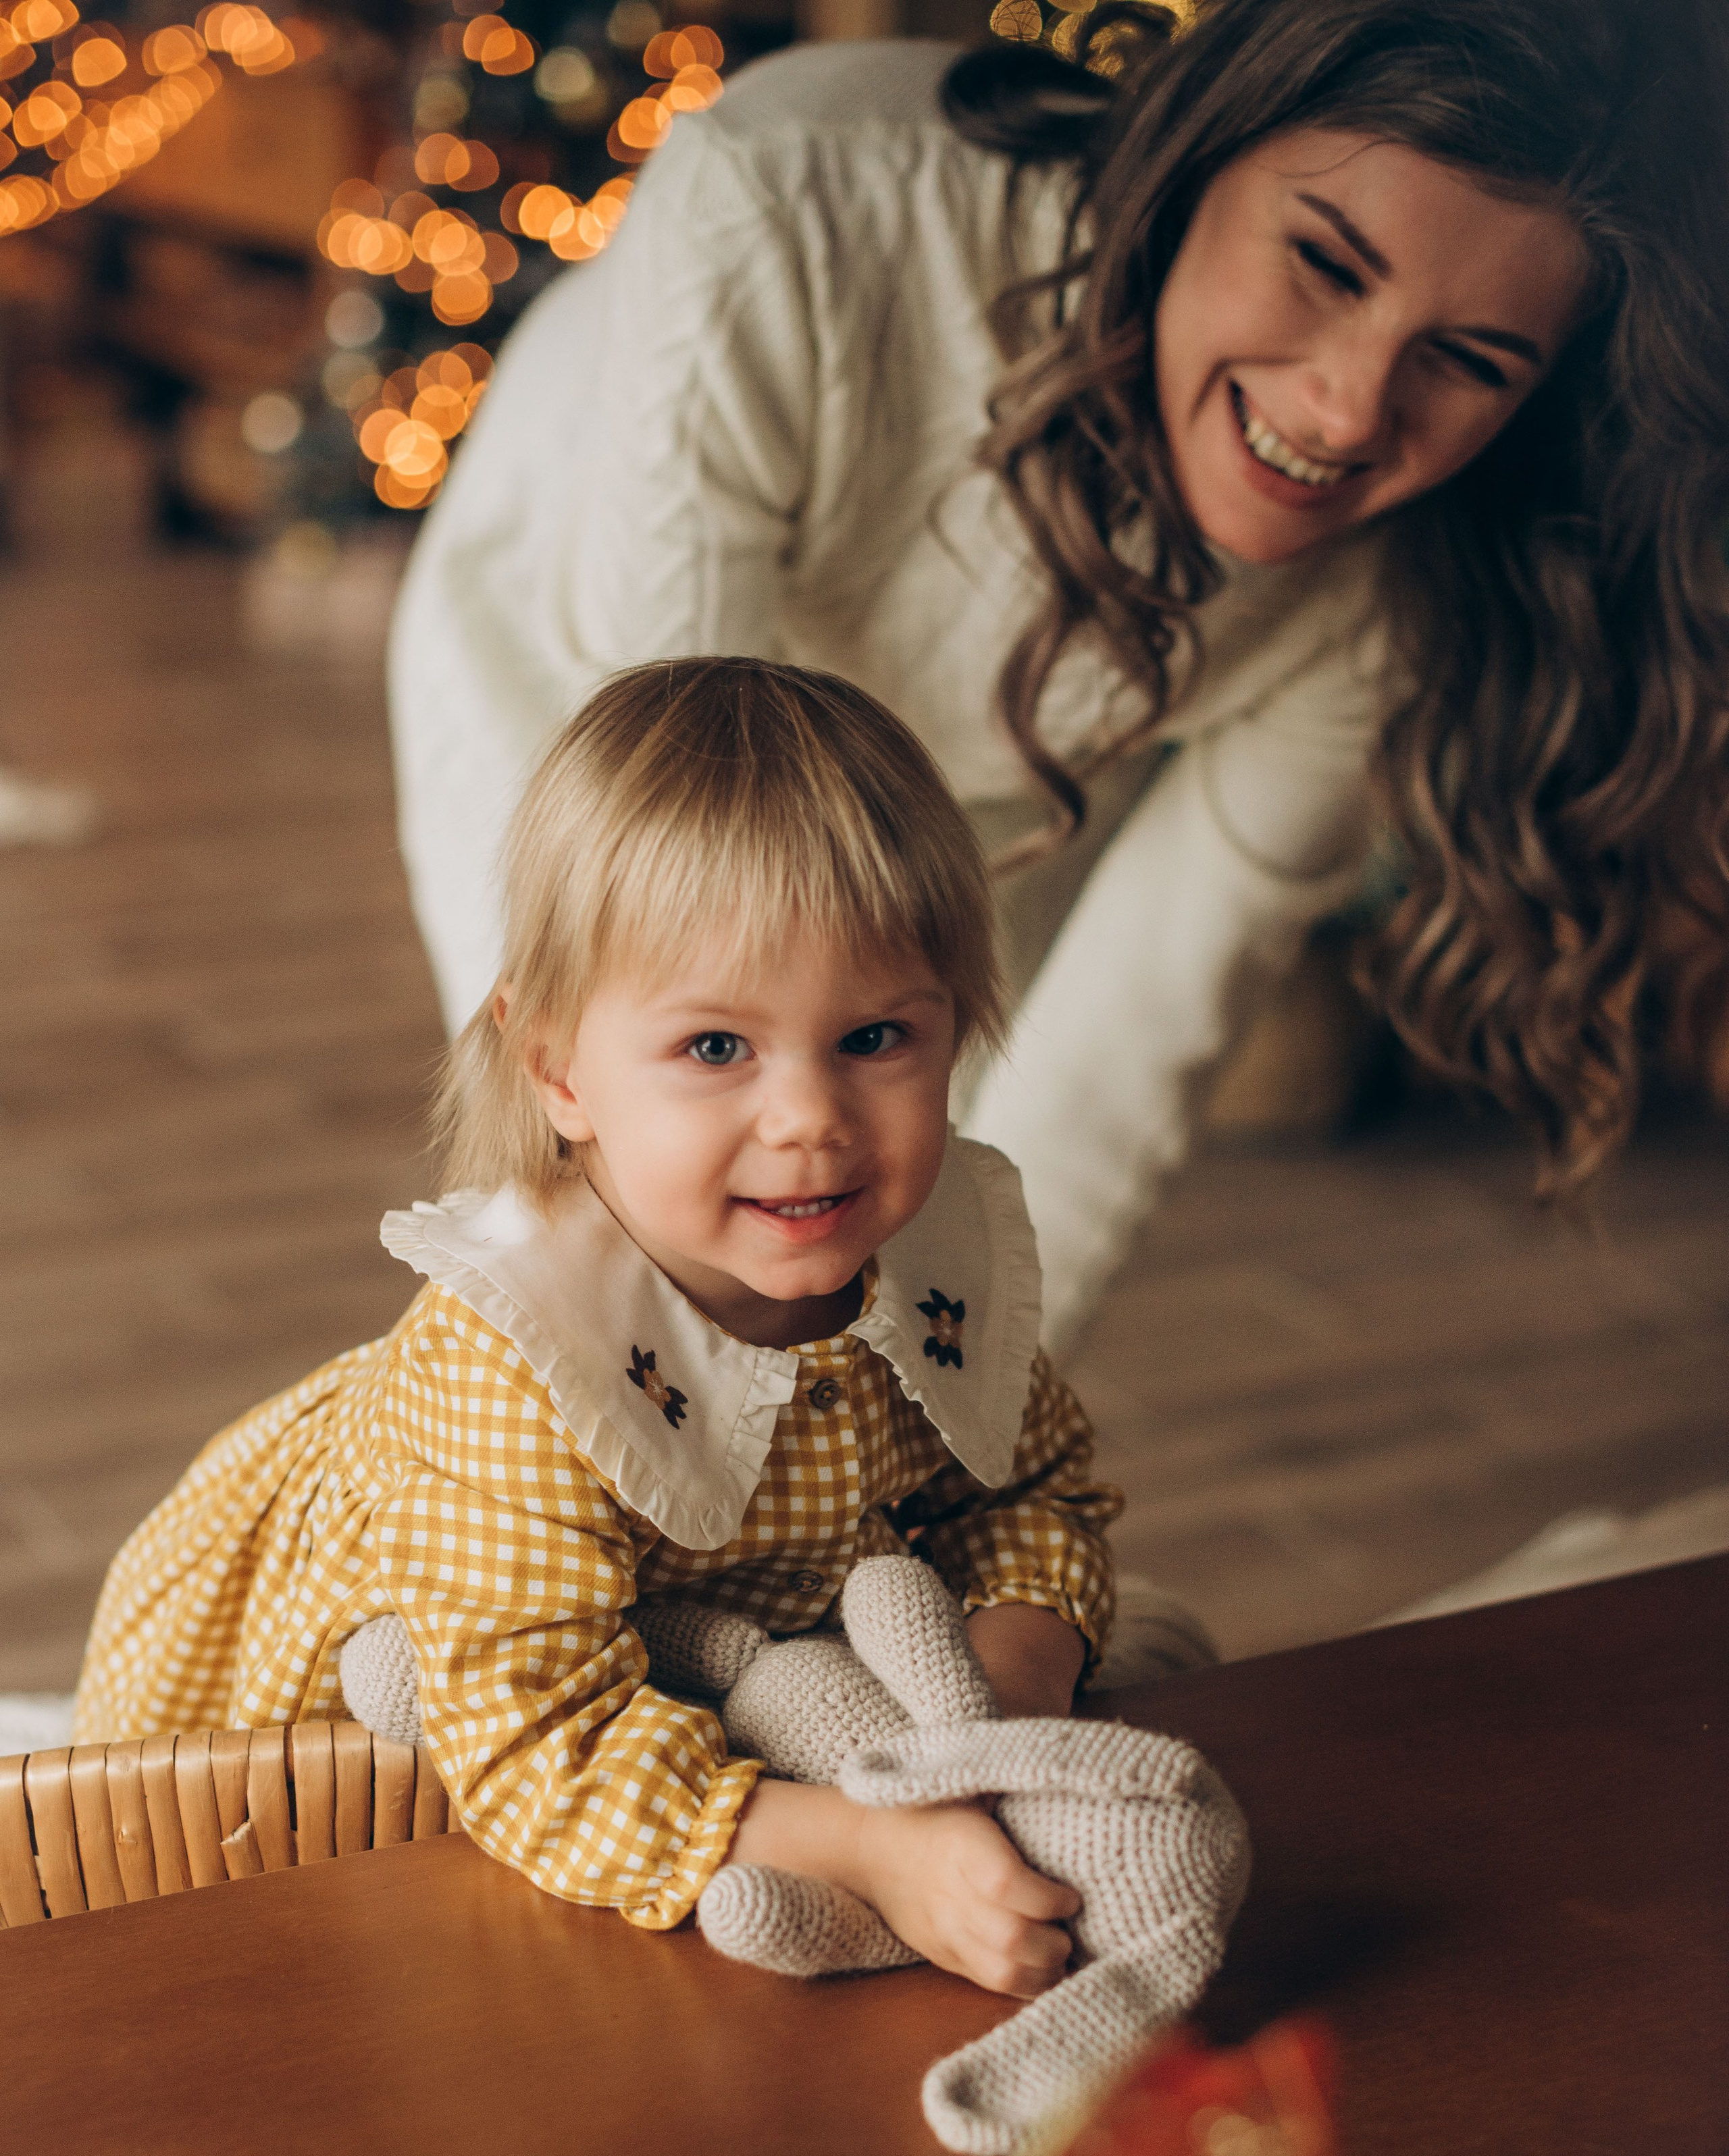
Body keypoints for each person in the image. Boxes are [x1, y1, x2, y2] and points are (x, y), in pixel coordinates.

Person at [388, 0, 1729, 1352]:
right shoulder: (789, 199)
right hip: (604, 679)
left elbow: (1118, 1050)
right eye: (1324, 265)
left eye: (1466, 361)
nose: (1344, 410)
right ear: (1203, 149)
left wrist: (956, 1445)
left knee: (897, 1187)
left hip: (989, 773)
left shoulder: (1405, 581)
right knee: (623, 1185)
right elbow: (676, 890)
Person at [72, 659, 1122, 1997]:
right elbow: (537, 1747)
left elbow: (1038, 1492)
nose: (809, 1117)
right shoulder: (519, 1361)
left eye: (872, 1035)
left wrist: (991, 1715)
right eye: (715, 1049)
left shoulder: (920, 1275)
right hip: (295, 1799)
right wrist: (870, 1847)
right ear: (559, 1068)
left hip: (677, 1691)